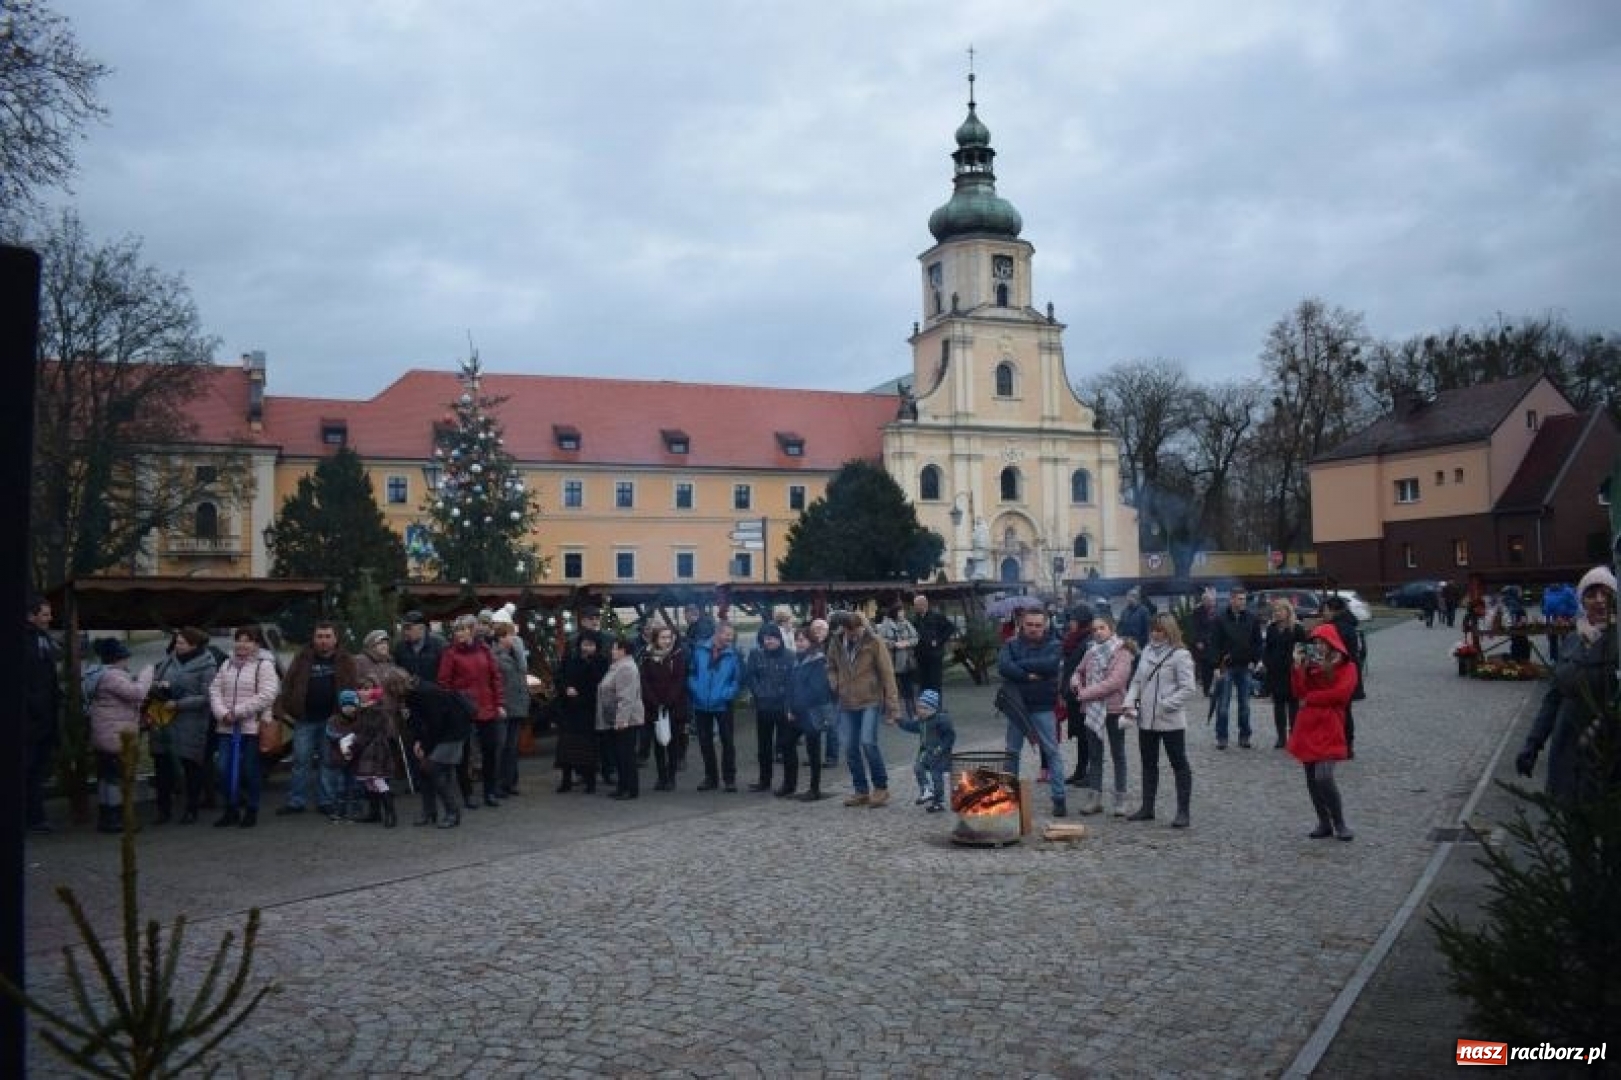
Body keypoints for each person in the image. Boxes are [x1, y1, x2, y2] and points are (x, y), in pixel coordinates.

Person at [1516, 566, 1617, 805]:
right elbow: (1553, 698)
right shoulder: (1572, 641)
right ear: (1582, 600)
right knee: (1574, 830)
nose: (1599, 601)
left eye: (1606, 593)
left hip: (1610, 755)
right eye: (1592, 594)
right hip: (1569, 751)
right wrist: (1533, 743)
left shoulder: (1618, 640)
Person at [273, 619, 358, 816]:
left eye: (328, 636)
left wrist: (350, 714)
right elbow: (288, 684)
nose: (323, 641)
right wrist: (284, 707)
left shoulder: (346, 660)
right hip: (305, 719)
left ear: (335, 639)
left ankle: (326, 801)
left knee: (329, 762)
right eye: (319, 636)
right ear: (313, 638)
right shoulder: (302, 657)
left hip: (333, 720)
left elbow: (353, 687)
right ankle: (296, 801)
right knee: (300, 761)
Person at [1120, 613, 1197, 827]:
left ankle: (1183, 811)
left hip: (1170, 720)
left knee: (1178, 763)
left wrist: (1166, 704)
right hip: (1146, 719)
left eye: (1160, 630)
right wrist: (1130, 704)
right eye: (1153, 629)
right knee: (1148, 763)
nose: (1155, 633)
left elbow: (1188, 688)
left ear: (1169, 631)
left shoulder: (1180, 655)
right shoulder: (1146, 651)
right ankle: (1147, 807)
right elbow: (1136, 682)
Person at [1287, 624, 1357, 841]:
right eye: (1315, 643)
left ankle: (1340, 822)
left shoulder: (1347, 666)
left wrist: (1313, 698)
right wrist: (1298, 667)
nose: (1318, 647)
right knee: (1311, 778)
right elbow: (1299, 691)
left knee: (1324, 776)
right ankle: (1324, 822)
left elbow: (1341, 695)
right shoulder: (1311, 665)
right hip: (1308, 725)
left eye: (1321, 643)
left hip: (1330, 724)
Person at [996, 608, 1068, 817]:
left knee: (1052, 752)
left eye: (1038, 625)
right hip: (1017, 706)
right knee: (1012, 752)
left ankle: (1059, 798)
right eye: (1030, 625)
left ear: (1045, 625)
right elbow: (1003, 666)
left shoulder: (1054, 644)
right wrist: (1028, 676)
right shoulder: (1010, 644)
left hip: (1043, 706)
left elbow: (1050, 665)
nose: (1034, 629)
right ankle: (1008, 797)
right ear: (1022, 624)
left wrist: (1018, 666)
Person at [208, 627, 281, 829]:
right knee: (223, 769)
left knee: (249, 770)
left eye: (248, 640)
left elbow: (267, 694)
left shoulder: (264, 665)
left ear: (257, 644)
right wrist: (222, 713)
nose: (242, 644)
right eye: (239, 639)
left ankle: (251, 809)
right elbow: (214, 690)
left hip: (253, 727)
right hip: (226, 727)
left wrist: (237, 712)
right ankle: (230, 808)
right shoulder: (226, 665)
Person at [828, 611, 902, 807]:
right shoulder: (836, 642)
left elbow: (887, 674)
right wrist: (835, 683)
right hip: (846, 701)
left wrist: (892, 706)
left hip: (870, 699)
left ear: (863, 626)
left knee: (868, 742)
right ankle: (860, 790)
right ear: (844, 628)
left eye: (857, 630)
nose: (854, 634)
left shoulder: (874, 642)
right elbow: (830, 666)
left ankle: (880, 787)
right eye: (849, 631)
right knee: (850, 746)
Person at [149, 627, 219, 824]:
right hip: (164, 720)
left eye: (181, 643)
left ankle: (191, 809)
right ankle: (163, 810)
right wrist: (159, 687)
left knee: (191, 767)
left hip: (191, 723)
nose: (176, 646)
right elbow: (154, 681)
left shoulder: (207, 666)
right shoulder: (168, 661)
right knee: (162, 766)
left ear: (194, 645)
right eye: (176, 642)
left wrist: (179, 704)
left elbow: (207, 697)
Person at [437, 614, 506, 809]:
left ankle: (489, 791)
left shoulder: (484, 650)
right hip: (463, 710)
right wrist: (454, 706)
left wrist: (499, 703)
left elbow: (495, 678)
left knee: (490, 750)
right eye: (457, 630)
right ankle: (467, 794)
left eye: (463, 629)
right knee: (464, 754)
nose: (459, 633)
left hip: (487, 708)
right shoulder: (450, 654)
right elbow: (444, 684)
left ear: (472, 631)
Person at [1068, 612, 1134, 816]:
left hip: (1114, 708)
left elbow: (1115, 682)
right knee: (1095, 755)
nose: (1097, 632)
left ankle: (1121, 799)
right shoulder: (1091, 651)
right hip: (1093, 710)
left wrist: (1085, 693)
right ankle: (1094, 798)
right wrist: (1076, 682)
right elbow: (1078, 671)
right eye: (1094, 629)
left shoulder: (1122, 652)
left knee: (1118, 754)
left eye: (1101, 628)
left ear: (1111, 629)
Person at [87, 638, 154, 833]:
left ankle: (107, 817)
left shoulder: (96, 674)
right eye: (125, 658)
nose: (127, 663)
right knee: (119, 778)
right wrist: (146, 675)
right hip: (115, 736)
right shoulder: (112, 676)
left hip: (104, 733)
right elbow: (137, 693)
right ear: (118, 659)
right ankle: (118, 819)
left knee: (107, 777)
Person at [404, 679, 473, 828]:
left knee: (433, 769)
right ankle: (430, 812)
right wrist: (419, 741)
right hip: (445, 732)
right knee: (425, 770)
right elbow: (420, 723)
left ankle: (453, 813)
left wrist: (424, 745)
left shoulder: (424, 695)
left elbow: (434, 723)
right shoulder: (417, 693)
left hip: (452, 733)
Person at [688, 622, 742, 792]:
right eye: (727, 635)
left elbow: (737, 679)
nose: (730, 638)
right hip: (701, 703)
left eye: (731, 636)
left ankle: (729, 779)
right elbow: (691, 673)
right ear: (718, 633)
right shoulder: (699, 650)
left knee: (728, 742)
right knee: (705, 742)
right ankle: (711, 777)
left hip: (723, 704)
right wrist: (696, 690)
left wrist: (727, 694)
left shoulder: (734, 654)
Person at [24, 595, 61, 834]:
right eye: (45, 615)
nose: (50, 619)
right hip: (31, 719)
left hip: (44, 718)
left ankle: (36, 817)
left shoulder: (42, 639)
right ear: (31, 616)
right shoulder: (25, 641)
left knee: (36, 770)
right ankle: (32, 818)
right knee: (28, 770)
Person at [783, 626, 833, 801]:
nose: (799, 643)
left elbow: (818, 690)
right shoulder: (796, 661)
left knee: (813, 751)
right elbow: (790, 686)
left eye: (802, 640)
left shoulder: (818, 661)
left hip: (812, 712)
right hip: (796, 711)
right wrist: (789, 707)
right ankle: (789, 785)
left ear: (811, 642)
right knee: (786, 744)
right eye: (797, 640)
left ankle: (814, 788)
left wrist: (800, 704)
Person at [743, 622, 794, 792]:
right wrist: (759, 693)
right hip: (764, 707)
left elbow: (793, 682)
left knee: (787, 747)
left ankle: (788, 783)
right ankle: (764, 780)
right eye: (766, 639)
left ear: (779, 638)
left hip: (783, 707)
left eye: (772, 638)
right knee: (763, 747)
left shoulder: (790, 656)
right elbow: (750, 677)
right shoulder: (756, 655)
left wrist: (788, 703)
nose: (769, 642)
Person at [1208, 587, 1262, 749]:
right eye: (1239, 599)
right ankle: (1221, 737)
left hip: (1245, 666)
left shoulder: (1252, 619)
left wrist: (1256, 659)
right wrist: (1215, 666)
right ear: (1231, 599)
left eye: (1244, 599)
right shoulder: (1220, 619)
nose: (1242, 602)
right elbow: (1215, 644)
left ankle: (1244, 736)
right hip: (1226, 667)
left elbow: (1257, 642)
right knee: (1223, 706)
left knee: (1245, 705)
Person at [555, 632, 607, 793]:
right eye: (585, 644)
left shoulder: (601, 661)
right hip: (569, 709)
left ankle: (590, 782)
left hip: (588, 709)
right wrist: (565, 689)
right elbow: (559, 677)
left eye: (591, 645)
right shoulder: (570, 659)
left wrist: (589, 664)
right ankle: (566, 780)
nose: (587, 648)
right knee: (566, 747)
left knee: (587, 748)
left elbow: (601, 683)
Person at [639, 623, 688, 791]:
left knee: (673, 742)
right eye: (663, 637)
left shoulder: (677, 655)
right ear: (655, 639)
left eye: (669, 637)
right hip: (653, 706)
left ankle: (671, 776)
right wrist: (654, 700)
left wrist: (667, 701)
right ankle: (661, 776)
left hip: (673, 706)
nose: (667, 641)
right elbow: (644, 681)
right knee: (658, 743)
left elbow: (679, 680)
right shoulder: (647, 656)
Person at [597, 636, 645, 800]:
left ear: (623, 651)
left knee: (626, 755)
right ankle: (623, 786)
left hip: (626, 720)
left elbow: (626, 697)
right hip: (617, 718)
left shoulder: (626, 668)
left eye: (614, 648)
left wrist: (622, 720)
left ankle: (630, 789)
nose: (612, 651)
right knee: (620, 755)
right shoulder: (618, 666)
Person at [1321, 595, 1366, 759]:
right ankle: (1347, 745)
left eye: (1325, 610)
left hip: (1339, 675)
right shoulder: (1350, 625)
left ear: (1333, 610)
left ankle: (1342, 745)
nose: (1323, 613)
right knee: (1345, 711)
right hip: (1350, 674)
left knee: (1340, 712)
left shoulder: (1336, 628)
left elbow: (1330, 653)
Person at [897, 688, 955, 812]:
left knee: (936, 776)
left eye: (925, 708)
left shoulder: (942, 720)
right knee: (918, 768)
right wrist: (899, 721)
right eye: (920, 707)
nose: (921, 711)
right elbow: (911, 727)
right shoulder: (922, 721)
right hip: (925, 752)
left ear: (934, 709)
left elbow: (950, 737)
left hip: (939, 754)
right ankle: (927, 790)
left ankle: (938, 801)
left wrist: (941, 749)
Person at [348, 686, 398, 827]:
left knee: (377, 781)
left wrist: (352, 746)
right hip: (370, 749)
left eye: (365, 689)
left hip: (375, 750)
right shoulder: (367, 710)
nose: (360, 691)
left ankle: (390, 814)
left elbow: (366, 733)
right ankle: (375, 813)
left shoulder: (374, 712)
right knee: (370, 782)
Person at [491, 621, 530, 797]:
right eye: (509, 635)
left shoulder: (516, 653)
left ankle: (510, 782)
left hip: (518, 706)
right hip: (504, 706)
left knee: (512, 747)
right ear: (501, 638)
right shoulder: (494, 656)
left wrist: (519, 652)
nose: (513, 638)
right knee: (501, 746)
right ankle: (497, 784)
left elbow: (523, 671)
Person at [1262, 599, 1307, 749]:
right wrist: (1266, 662)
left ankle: (1294, 734)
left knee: (1293, 705)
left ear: (1288, 612)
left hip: (1291, 671)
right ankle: (1281, 737)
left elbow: (1303, 649)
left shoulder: (1297, 628)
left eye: (1280, 610)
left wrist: (1297, 662)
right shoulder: (1271, 628)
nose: (1277, 613)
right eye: (1275, 611)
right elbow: (1267, 647)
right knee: (1278, 706)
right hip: (1275, 672)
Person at [1059, 607, 1094, 789]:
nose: (1070, 623)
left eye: (1073, 619)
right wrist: (1064, 691)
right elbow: (1068, 667)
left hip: (1084, 695)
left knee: (1088, 735)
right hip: (1073, 694)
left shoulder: (1088, 641)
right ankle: (1080, 770)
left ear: (1081, 620)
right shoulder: (1073, 639)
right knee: (1080, 734)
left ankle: (1091, 773)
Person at [324, 689, 365, 822]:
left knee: (356, 786)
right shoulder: (333, 720)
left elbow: (363, 734)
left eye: (351, 706)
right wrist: (343, 737)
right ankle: (339, 810)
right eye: (345, 706)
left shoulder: (361, 719)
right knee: (340, 787)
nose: (348, 709)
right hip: (339, 760)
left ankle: (356, 810)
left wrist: (355, 739)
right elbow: (329, 733)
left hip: (355, 759)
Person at [877, 601, 920, 720]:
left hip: (905, 661)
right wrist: (893, 644)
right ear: (895, 612)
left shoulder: (907, 624)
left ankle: (912, 713)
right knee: (890, 689)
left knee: (908, 689)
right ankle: (890, 714)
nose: (903, 613)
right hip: (891, 660)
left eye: (903, 611)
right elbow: (879, 640)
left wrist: (907, 643)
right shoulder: (886, 624)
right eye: (900, 611)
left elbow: (916, 638)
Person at [911, 594, 956, 696]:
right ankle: (926, 708)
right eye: (914, 605)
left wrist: (939, 641)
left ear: (924, 604)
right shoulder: (915, 620)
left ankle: (937, 707)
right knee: (923, 682)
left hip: (934, 654)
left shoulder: (937, 616)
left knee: (935, 682)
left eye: (917, 605)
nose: (915, 607)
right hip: (921, 655)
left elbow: (950, 628)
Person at [392, 611, 444, 685]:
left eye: (409, 628)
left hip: (432, 693)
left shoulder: (439, 644)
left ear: (421, 628)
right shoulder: (400, 647)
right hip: (408, 693)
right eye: (404, 628)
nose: (405, 632)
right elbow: (396, 669)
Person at [1189, 589, 1220, 696]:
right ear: (1204, 601)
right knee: (1206, 666)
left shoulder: (1217, 611)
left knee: (1213, 665)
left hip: (1215, 642)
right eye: (1209, 601)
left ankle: (1211, 688)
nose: (1212, 603)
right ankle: (1206, 690)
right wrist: (1198, 641)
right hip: (1203, 643)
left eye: (1213, 601)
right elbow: (1194, 628)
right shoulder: (1197, 611)